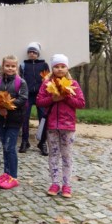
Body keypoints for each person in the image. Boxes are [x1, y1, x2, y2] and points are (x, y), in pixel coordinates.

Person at [36, 54, 86, 198]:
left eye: (62, 66)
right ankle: (55, 182)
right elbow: (39, 101)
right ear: (52, 68)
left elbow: (81, 103)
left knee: (66, 155)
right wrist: (53, 99)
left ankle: (66, 184)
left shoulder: (73, 84)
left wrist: (67, 96)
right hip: (52, 125)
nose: (59, 69)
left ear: (67, 67)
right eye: (57, 66)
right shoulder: (47, 83)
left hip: (68, 125)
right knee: (53, 154)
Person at [0, 55, 28, 190]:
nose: (10, 68)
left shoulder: (21, 82)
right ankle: (6, 173)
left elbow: (23, 99)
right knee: (4, 146)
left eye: (13, 66)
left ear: (16, 67)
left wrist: (8, 107)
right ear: (3, 66)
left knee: (10, 147)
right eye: (7, 66)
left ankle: (13, 176)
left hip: (15, 119)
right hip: (1, 118)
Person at [19, 42, 50, 155]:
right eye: (30, 52)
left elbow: (48, 79)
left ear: (38, 53)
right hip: (27, 95)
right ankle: (25, 141)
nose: (32, 54)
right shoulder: (23, 65)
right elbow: (21, 79)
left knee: (43, 118)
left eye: (34, 52)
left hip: (40, 95)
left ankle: (42, 142)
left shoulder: (44, 65)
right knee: (25, 117)